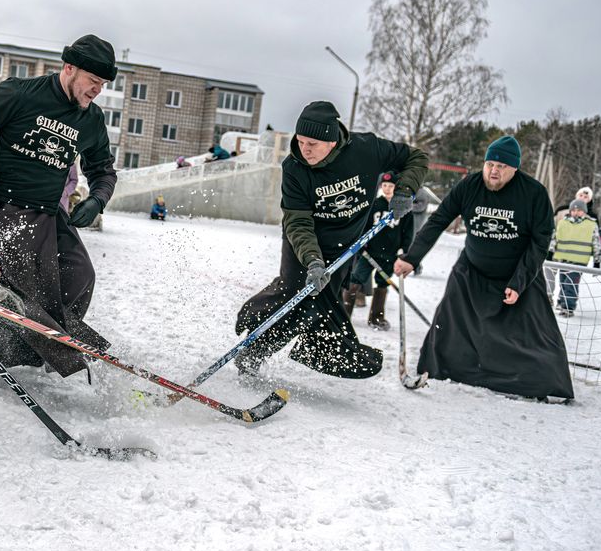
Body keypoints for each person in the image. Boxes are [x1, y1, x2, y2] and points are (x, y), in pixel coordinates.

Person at [234, 101, 429, 379]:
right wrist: (313, 260)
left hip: (344, 247)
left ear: (331, 140)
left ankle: (321, 352)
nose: (305, 149)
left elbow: (416, 157)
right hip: (304, 240)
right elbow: (298, 221)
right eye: (301, 141)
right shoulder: (294, 168)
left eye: (312, 143)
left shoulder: (367, 149)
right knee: (295, 293)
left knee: (317, 305)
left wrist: (405, 190)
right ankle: (254, 350)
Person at [0, 34, 119, 378]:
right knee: (28, 290)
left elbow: (103, 170)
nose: (97, 90)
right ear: (68, 68)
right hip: (1, 207)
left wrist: (97, 199)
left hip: (48, 213)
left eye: (102, 84)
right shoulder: (18, 94)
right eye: (92, 81)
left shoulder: (91, 119)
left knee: (80, 276)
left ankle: (27, 351)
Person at [393, 136, 573, 400]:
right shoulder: (470, 185)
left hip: (517, 273)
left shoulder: (533, 193)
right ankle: (441, 369)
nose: (494, 171)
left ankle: (546, 385)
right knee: (449, 323)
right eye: (490, 164)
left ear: (514, 168)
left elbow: (540, 242)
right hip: (472, 270)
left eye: (501, 166)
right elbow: (439, 219)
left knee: (537, 335)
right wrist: (412, 257)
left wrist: (519, 282)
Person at [343, 171, 414, 330]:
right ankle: (343, 315)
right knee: (355, 280)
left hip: (390, 255)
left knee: (382, 284)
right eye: (385, 185)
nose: (387, 189)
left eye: (391, 186)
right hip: (369, 254)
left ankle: (376, 318)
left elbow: (408, 233)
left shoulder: (402, 209)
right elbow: (363, 227)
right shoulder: (374, 205)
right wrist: (362, 247)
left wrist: (404, 253)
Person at [549, 198, 601, 317]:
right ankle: (561, 302)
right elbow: (555, 238)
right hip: (562, 259)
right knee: (563, 282)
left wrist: (597, 261)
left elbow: (596, 243)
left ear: (584, 211)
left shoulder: (591, 224)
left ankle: (568, 307)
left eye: (579, 210)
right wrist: (550, 253)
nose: (576, 212)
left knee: (570, 284)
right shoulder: (563, 222)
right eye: (573, 210)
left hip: (579, 261)